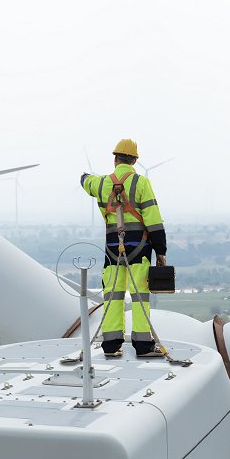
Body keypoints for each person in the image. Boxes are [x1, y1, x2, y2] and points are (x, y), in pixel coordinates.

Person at [80, 138, 167, 358]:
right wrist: (161, 250)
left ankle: (110, 346)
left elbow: (85, 181)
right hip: (139, 249)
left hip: (112, 250)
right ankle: (143, 345)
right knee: (140, 297)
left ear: (115, 158)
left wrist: (84, 177)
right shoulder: (141, 183)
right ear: (135, 160)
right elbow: (153, 219)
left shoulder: (101, 183)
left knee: (113, 295)